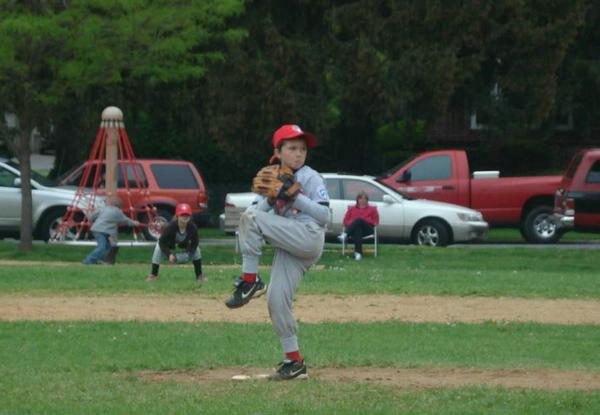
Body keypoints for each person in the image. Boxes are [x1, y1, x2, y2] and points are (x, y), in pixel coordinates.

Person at [224, 124, 330, 381]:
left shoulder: (310, 177)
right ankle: (294, 362)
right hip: (289, 245)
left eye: (302, 149)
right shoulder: (271, 177)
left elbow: (325, 216)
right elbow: (255, 215)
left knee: (251, 218)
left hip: (308, 236)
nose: (298, 153)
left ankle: (250, 281)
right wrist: (271, 199)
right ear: (278, 151)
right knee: (276, 301)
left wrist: (295, 198)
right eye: (292, 148)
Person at [146, 203, 207, 282]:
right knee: (158, 247)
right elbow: (162, 242)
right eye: (182, 215)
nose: (185, 217)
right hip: (170, 246)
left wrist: (190, 254)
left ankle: (199, 275)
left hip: (184, 246)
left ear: (190, 217)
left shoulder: (192, 227)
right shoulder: (170, 227)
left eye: (187, 215)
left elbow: (195, 242)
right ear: (177, 216)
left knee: (197, 250)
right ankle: (153, 274)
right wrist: (169, 255)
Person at [83, 196, 140, 265]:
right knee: (102, 247)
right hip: (102, 231)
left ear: (111, 203)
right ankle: (88, 260)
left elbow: (92, 216)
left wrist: (91, 221)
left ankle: (100, 260)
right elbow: (126, 220)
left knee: (107, 246)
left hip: (97, 229)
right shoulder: (118, 212)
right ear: (120, 206)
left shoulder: (103, 209)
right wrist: (134, 223)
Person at [341, 191, 379, 261]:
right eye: (360, 199)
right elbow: (345, 221)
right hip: (354, 230)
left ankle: (345, 234)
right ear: (357, 200)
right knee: (357, 229)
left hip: (368, 229)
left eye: (364, 199)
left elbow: (376, 222)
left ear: (367, 200)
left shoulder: (372, 209)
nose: (362, 201)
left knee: (359, 220)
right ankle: (358, 254)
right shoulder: (352, 209)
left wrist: (364, 220)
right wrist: (353, 223)